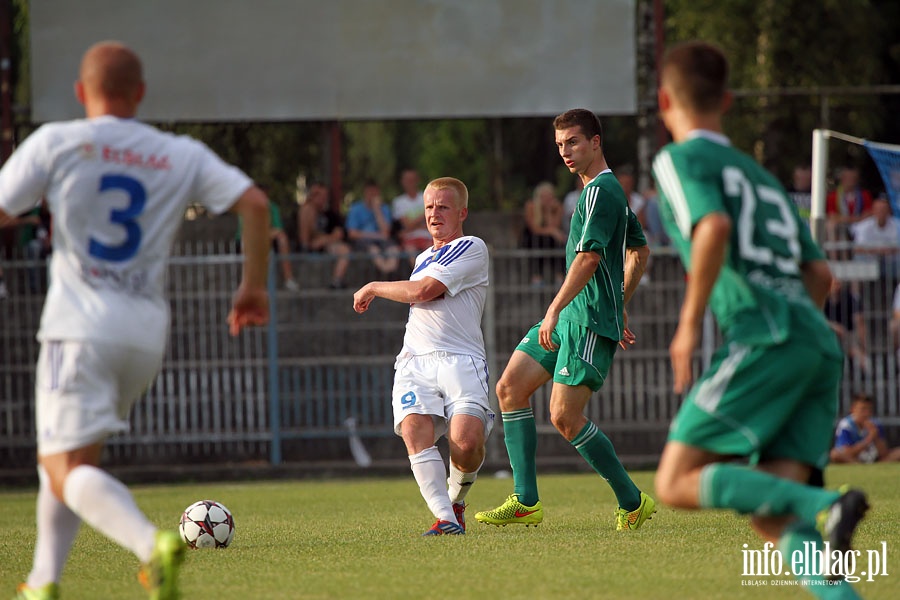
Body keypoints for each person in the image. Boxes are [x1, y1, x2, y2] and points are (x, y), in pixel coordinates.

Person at [0, 41, 271, 600]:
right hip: (144, 335)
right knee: (76, 461)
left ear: (80, 92)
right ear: (140, 94)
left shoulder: (59, 140)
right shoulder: (179, 153)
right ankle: (44, 582)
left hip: (78, 327)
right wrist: (252, 286)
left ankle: (152, 545)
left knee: (59, 466)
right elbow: (257, 204)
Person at [651, 40, 868, 597]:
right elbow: (820, 276)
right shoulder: (763, 176)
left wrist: (688, 326)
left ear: (663, 102)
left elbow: (714, 227)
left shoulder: (679, 159)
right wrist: (800, 337)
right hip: (815, 341)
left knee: (674, 481)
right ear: (726, 100)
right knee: (772, 514)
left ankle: (828, 505)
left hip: (764, 335)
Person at [475, 109, 655, 531]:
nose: (566, 152)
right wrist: (619, 301)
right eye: (559, 145)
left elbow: (590, 257)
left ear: (596, 141)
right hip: (576, 313)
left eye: (573, 142)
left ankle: (632, 502)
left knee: (564, 417)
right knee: (509, 389)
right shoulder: (603, 192)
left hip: (585, 321)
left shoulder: (599, 193)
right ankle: (525, 501)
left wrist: (557, 309)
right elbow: (639, 251)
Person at [353, 177, 492, 536]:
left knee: (467, 442)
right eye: (429, 207)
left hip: (461, 359)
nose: (434, 214)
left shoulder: (471, 246)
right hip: (415, 360)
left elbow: (425, 291)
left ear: (462, 212)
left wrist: (373, 287)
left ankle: (456, 501)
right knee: (415, 429)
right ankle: (446, 519)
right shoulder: (423, 257)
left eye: (443, 207)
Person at [237, 193, 298, 291]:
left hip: (268, 240)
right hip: (250, 241)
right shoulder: (246, 208)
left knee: (282, 239)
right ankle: (248, 282)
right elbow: (246, 231)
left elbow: (278, 231)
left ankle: (288, 278)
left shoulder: (272, 208)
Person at [297, 181, 351, 289]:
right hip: (311, 246)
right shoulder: (307, 210)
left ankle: (336, 280)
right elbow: (308, 239)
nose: (321, 198)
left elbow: (339, 233)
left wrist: (326, 239)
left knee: (345, 250)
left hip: (327, 244)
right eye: (317, 195)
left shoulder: (330, 214)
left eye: (324, 196)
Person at [346, 179, 401, 276]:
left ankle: (389, 273)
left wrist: (377, 210)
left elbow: (386, 232)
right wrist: (375, 236)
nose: (372, 195)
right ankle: (385, 272)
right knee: (374, 249)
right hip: (364, 241)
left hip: (382, 240)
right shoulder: (356, 209)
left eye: (374, 192)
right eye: (369, 192)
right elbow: (352, 233)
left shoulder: (384, 208)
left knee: (393, 249)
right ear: (365, 193)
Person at [830, 393, 900, 464]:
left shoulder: (875, 424)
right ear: (853, 409)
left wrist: (875, 437)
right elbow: (847, 452)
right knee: (835, 454)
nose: (866, 413)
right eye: (863, 409)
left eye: (869, 410)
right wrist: (869, 438)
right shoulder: (846, 425)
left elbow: (884, 453)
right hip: (855, 458)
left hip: (874, 458)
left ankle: (874, 466)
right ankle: (860, 466)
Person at [520, 181, 567, 285]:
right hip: (533, 240)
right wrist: (552, 231)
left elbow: (555, 226)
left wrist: (549, 211)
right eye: (543, 197)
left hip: (550, 240)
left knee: (557, 241)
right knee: (539, 241)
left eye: (549, 197)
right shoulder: (531, 206)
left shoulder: (556, 207)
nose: (546, 200)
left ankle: (559, 276)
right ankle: (536, 276)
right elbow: (534, 229)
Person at [824, 278, 869, 377]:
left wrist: (862, 344)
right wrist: (834, 326)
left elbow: (859, 321)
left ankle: (867, 376)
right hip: (827, 335)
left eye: (838, 283)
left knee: (857, 353)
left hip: (847, 335)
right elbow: (816, 318)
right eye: (834, 283)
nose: (836, 286)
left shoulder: (850, 298)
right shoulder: (823, 299)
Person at [849, 195, 900, 279]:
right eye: (878, 209)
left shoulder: (897, 225)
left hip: (892, 261)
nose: (881, 212)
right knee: (858, 260)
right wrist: (877, 250)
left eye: (883, 209)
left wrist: (889, 250)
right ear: (873, 211)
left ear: (889, 211)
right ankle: (856, 292)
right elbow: (857, 248)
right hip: (870, 260)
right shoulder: (864, 226)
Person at [391, 168, 432, 264]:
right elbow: (407, 225)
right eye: (407, 180)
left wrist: (409, 228)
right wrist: (424, 215)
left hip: (428, 238)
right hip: (410, 239)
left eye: (412, 179)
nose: (410, 183)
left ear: (417, 180)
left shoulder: (427, 197)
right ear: (402, 182)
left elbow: (431, 224)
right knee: (413, 257)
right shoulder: (399, 202)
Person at [787, 164, 813, 228]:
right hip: (792, 223)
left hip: (811, 225)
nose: (803, 181)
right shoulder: (787, 192)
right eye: (801, 178)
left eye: (806, 179)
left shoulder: (815, 194)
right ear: (795, 178)